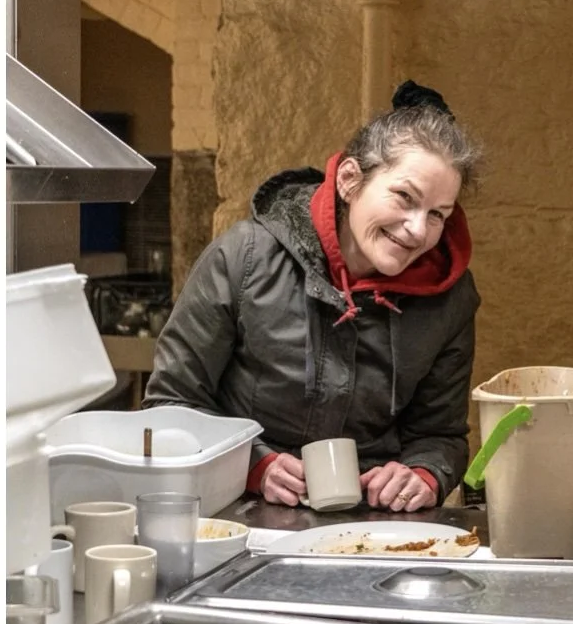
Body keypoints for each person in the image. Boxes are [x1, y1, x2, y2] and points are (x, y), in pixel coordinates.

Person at [146, 81, 480, 514]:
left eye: (438, 214)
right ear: (349, 180)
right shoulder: (245, 258)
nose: (418, 229)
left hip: (373, 527)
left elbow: (441, 434)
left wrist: (423, 474)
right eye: (404, 197)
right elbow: (170, 405)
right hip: (237, 517)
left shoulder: (449, 298)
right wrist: (252, 465)